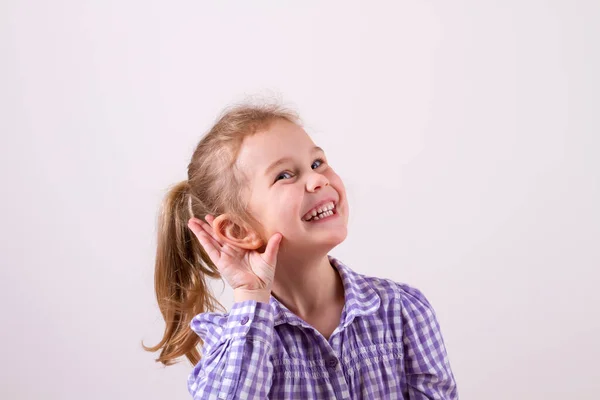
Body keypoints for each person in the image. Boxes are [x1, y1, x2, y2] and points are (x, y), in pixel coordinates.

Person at [144, 101, 459, 399]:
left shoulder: (403, 311)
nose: (317, 180)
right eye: (284, 175)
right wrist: (251, 296)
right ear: (238, 230)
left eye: (317, 163)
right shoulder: (233, 343)